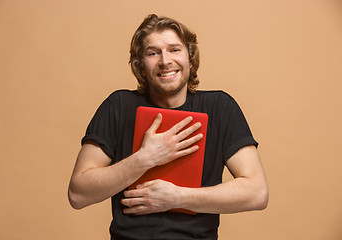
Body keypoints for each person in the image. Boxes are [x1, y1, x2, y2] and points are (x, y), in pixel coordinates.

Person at [68, 14, 269, 240]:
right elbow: (78, 194)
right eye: (153, 53)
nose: (165, 61)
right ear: (141, 66)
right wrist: (145, 159)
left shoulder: (221, 108)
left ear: (190, 60)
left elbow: (257, 193)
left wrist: (178, 198)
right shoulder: (118, 106)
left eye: (175, 50)